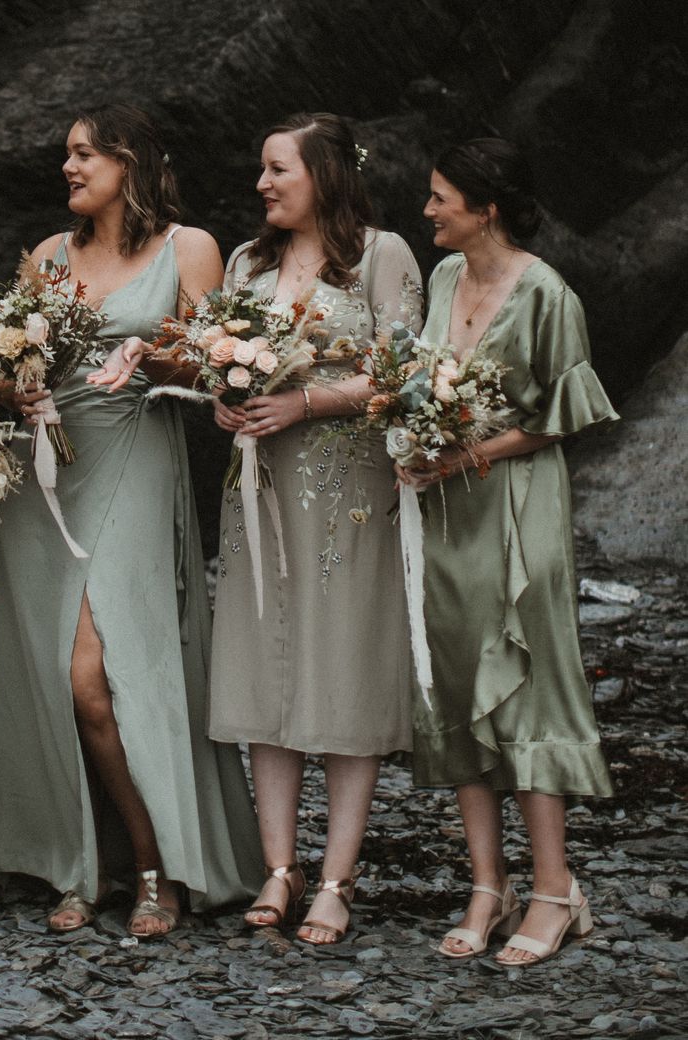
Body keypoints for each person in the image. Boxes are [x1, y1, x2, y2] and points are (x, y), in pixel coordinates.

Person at [0, 103, 262, 938]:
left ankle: (155, 867)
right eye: (67, 155)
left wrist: (154, 351)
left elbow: (218, 364)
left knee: (102, 673)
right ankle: (79, 861)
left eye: (85, 155)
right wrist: (13, 387)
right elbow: (6, 362)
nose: (69, 168)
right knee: (53, 674)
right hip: (45, 472)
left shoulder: (189, 248)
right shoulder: (46, 257)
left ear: (129, 162)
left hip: (135, 454)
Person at [205, 112, 424, 945]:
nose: (261, 184)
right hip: (257, 484)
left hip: (346, 485)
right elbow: (216, 350)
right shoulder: (245, 261)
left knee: (343, 662)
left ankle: (335, 877)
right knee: (266, 662)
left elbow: (400, 373)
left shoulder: (382, 254)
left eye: (277, 170)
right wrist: (226, 397)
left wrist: (305, 398)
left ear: (324, 175)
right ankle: (277, 867)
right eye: (262, 170)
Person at [398, 138, 615, 966]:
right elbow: (420, 380)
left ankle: (555, 889)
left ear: (486, 207)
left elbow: (568, 415)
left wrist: (468, 454)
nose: (427, 211)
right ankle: (488, 884)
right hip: (446, 508)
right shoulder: (446, 280)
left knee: (525, 680)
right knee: (457, 680)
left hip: (517, 504)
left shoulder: (548, 294)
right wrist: (412, 439)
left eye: (440, 197)